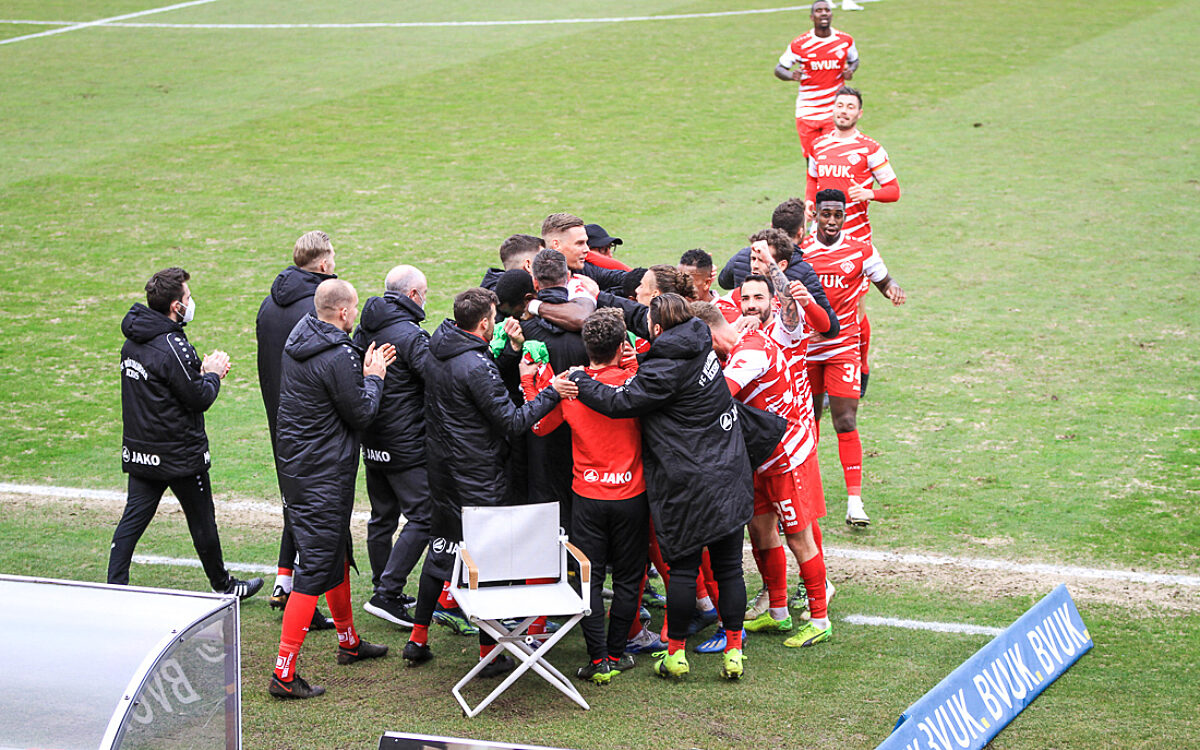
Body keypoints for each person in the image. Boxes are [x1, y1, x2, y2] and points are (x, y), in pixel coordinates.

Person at [567, 294, 754, 681]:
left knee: (684, 570)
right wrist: (599, 292)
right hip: (729, 470)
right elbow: (642, 316)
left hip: (689, 483)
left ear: (655, 329)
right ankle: (734, 650)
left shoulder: (662, 371)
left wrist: (581, 380)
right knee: (730, 568)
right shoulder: (699, 336)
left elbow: (619, 403)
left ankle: (675, 655)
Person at [402, 288, 574, 677]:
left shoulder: (439, 348)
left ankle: (417, 637)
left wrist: (509, 354)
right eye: (493, 318)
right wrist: (552, 392)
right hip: (478, 479)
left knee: (441, 550)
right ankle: (488, 656)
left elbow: (475, 384)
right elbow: (512, 421)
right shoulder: (474, 365)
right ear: (484, 323)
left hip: (443, 473)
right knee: (491, 564)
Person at [269, 279, 396, 700]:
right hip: (321, 474)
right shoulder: (336, 354)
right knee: (316, 567)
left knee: (335, 552)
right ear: (342, 313)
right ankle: (283, 673)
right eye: (354, 308)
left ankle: (349, 643)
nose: (356, 314)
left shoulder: (302, 335)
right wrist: (374, 376)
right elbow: (360, 411)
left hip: (302, 467)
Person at [111, 268, 263, 601]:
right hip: (179, 454)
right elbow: (198, 397)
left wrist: (197, 370)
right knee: (202, 521)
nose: (191, 302)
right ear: (176, 307)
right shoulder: (171, 345)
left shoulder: (133, 339)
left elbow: (164, 387)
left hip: (141, 450)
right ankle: (224, 584)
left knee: (132, 519)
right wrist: (213, 374)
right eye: (188, 298)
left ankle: (114, 586)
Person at [522, 308, 647, 685]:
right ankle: (616, 651)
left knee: (589, 580)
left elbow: (540, 426)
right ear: (620, 345)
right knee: (628, 578)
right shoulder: (637, 383)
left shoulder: (570, 388)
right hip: (632, 496)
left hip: (588, 499)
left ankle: (598, 661)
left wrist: (531, 383)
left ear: (585, 346)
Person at [802, 190, 906, 527]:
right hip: (805, 349)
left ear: (845, 216)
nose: (832, 221)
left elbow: (884, 279)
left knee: (845, 420)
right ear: (815, 213)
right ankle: (805, 496)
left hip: (843, 346)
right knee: (807, 424)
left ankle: (854, 502)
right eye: (826, 214)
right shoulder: (801, 250)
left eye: (838, 215)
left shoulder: (861, 250)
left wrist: (892, 290)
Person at [254, 230, 337, 630]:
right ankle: (302, 593)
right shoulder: (318, 307)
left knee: (294, 502)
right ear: (323, 265)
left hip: (278, 418)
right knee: (312, 510)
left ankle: (284, 581)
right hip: (310, 425)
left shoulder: (268, 305)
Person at [806, 86, 901, 394]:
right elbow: (812, 179)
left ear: (859, 114)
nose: (843, 111)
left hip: (856, 238)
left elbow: (894, 190)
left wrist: (869, 192)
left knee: (855, 308)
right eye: (840, 105)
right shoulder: (819, 145)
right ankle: (819, 365)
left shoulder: (870, 149)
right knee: (820, 300)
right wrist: (810, 202)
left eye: (850, 107)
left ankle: (859, 368)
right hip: (819, 237)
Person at [353, 265, 432, 629]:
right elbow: (435, 378)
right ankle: (387, 592)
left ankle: (384, 588)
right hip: (406, 442)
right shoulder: (409, 335)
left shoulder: (363, 329)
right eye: (425, 293)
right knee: (424, 515)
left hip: (372, 439)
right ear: (413, 295)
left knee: (382, 517)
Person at [716, 199, 839, 339]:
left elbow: (825, 326)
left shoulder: (792, 298)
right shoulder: (738, 294)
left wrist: (807, 304)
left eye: (762, 259)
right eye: (753, 258)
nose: (754, 265)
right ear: (800, 232)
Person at [775, 0, 859, 160]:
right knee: (812, 160)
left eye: (827, 10)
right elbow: (779, 69)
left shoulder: (844, 40)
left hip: (833, 110)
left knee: (832, 158)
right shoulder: (800, 44)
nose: (824, 13)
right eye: (819, 11)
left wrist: (851, 70)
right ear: (812, 17)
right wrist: (791, 76)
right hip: (807, 111)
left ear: (832, 14)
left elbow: (854, 60)